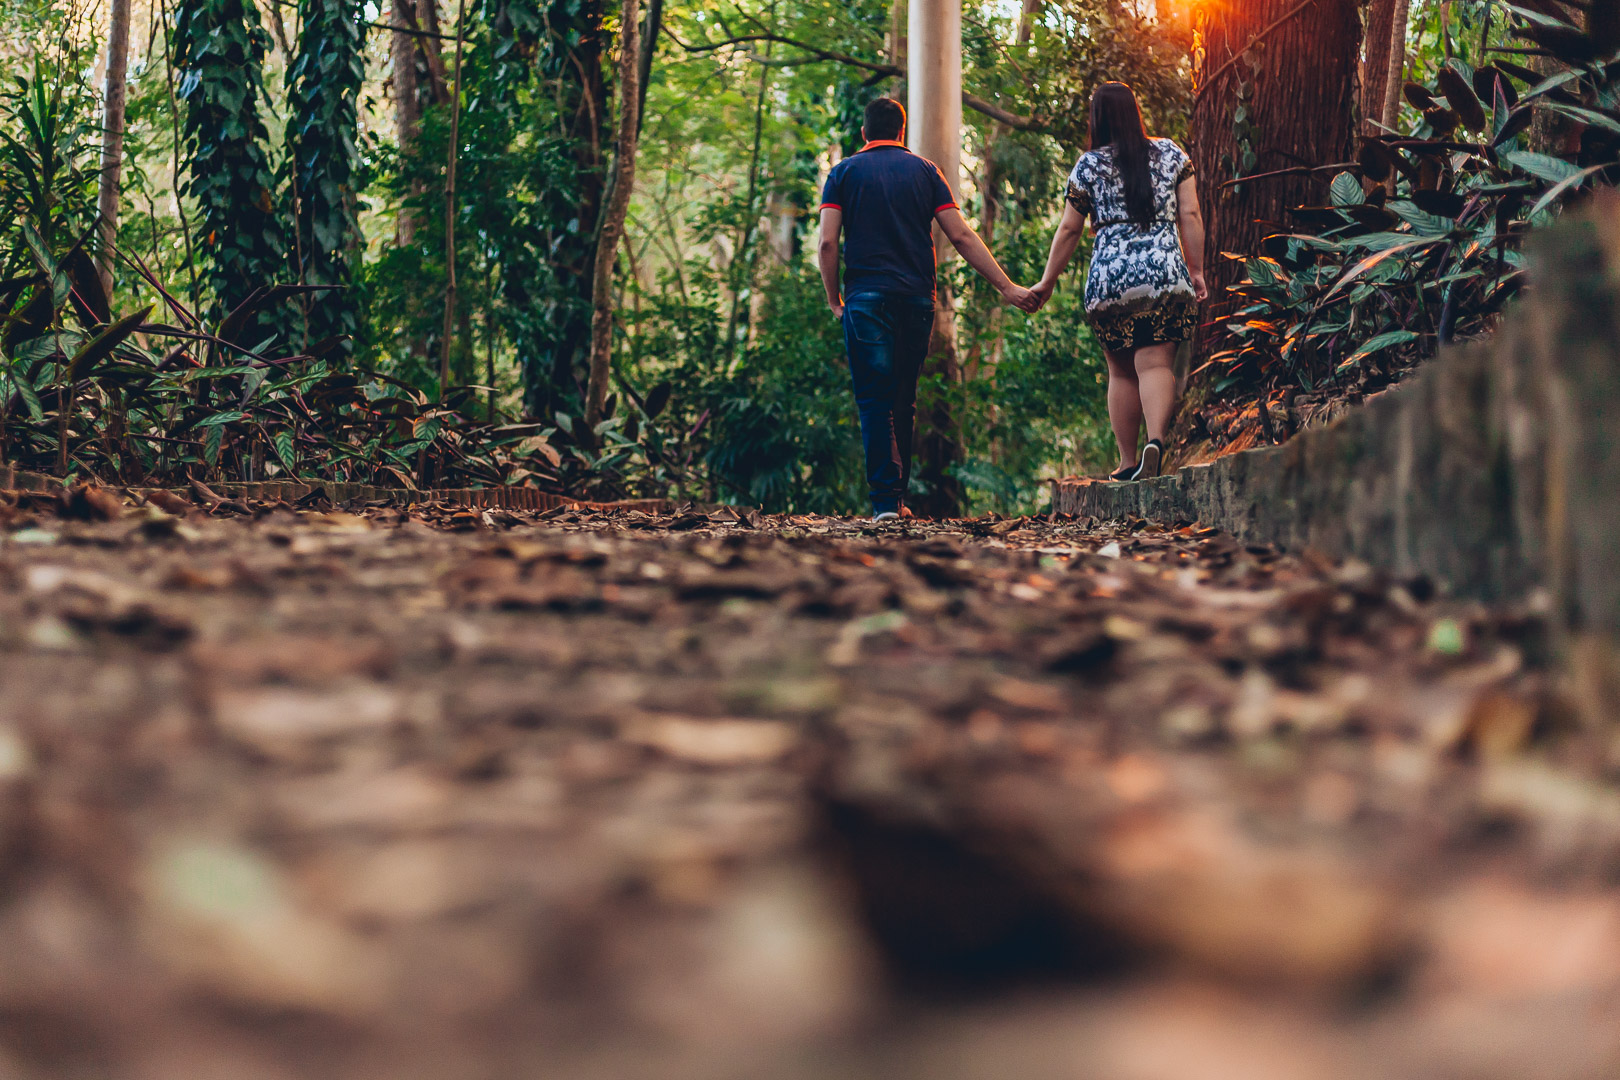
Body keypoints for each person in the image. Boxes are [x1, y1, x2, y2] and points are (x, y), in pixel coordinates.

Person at [819, 97, 1039, 521]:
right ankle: (897, 501)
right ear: (902, 133)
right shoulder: (925, 171)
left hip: (864, 300)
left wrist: (834, 300)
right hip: (917, 300)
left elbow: (828, 242)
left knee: (873, 401)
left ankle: (885, 503)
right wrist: (1007, 287)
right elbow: (961, 236)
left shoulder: (842, 173)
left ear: (864, 132)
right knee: (904, 398)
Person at [1031, 82, 1208, 482]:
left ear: (1098, 117)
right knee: (1156, 363)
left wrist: (1047, 281)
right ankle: (1156, 441)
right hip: (1164, 274)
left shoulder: (1088, 165)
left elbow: (1069, 230)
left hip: (1110, 279)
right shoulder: (1172, 154)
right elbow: (1191, 215)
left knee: (1122, 371)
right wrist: (1195, 270)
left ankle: (1128, 462)